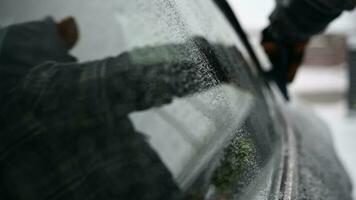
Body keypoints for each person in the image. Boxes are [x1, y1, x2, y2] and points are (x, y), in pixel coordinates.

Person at [0, 17, 220, 200]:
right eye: (65, 58)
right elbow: (129, 77)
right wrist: (214, 62)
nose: (74, 63)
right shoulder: (38, 95)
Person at [261, 0, 356, 98]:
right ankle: (280, 82)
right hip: (301, 24)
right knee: (276, 42)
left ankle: (280, 81)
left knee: (273, 39)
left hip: (295, 23)